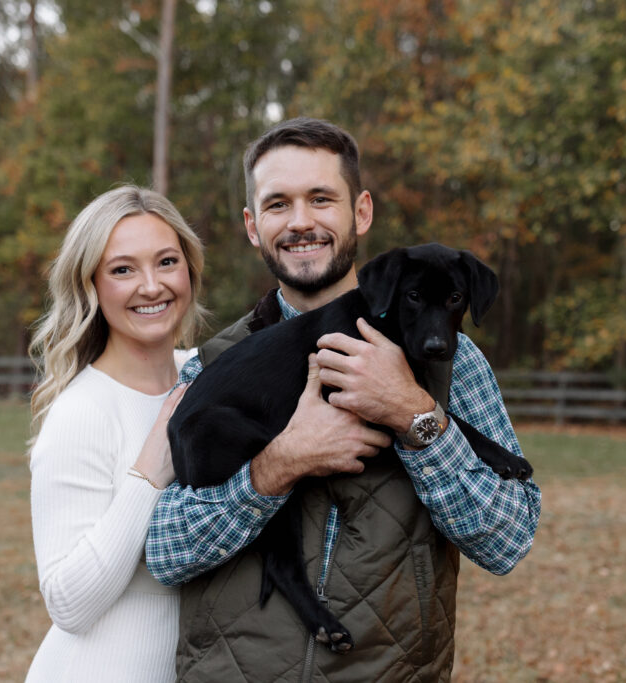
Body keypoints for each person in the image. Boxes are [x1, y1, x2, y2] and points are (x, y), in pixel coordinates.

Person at [146, 118, 542, 682]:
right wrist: (276, 465)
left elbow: (508, 540)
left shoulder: (454, 364)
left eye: (321, 199)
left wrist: (415, 416)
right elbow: (164, 553)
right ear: (253, 226)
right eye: (278, 204)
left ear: (361, 212)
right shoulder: (208, 366)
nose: (301, 221)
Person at [24, 185, 206, 682]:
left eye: (167, 261)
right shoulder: (82, 411)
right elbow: (67, 603)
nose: (151, 286)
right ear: (91, 285)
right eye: (123, 270)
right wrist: (147, 475)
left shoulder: (205, 376)